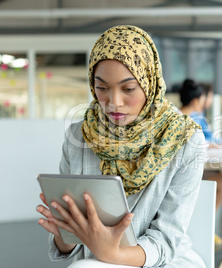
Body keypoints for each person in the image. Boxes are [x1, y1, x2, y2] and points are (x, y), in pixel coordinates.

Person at [36, 25, 207, 267]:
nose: (113, 102)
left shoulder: (185, 139)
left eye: (128, 89)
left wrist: (113, 254)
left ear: (150, 82)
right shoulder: (79, 135)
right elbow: (71, 244)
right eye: (102, 88)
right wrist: (65, 234)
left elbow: (165, 241)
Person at [179, 78, 222, 247]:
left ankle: (205, 226)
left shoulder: (194, 117)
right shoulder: (184, 119)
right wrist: (219, 144)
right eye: (205, 98)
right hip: (184, 174)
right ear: (197, 100)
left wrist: (219, 142)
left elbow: (207, 139)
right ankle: (204, 227)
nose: (206, 102)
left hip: (196, 167)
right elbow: (197, 143)